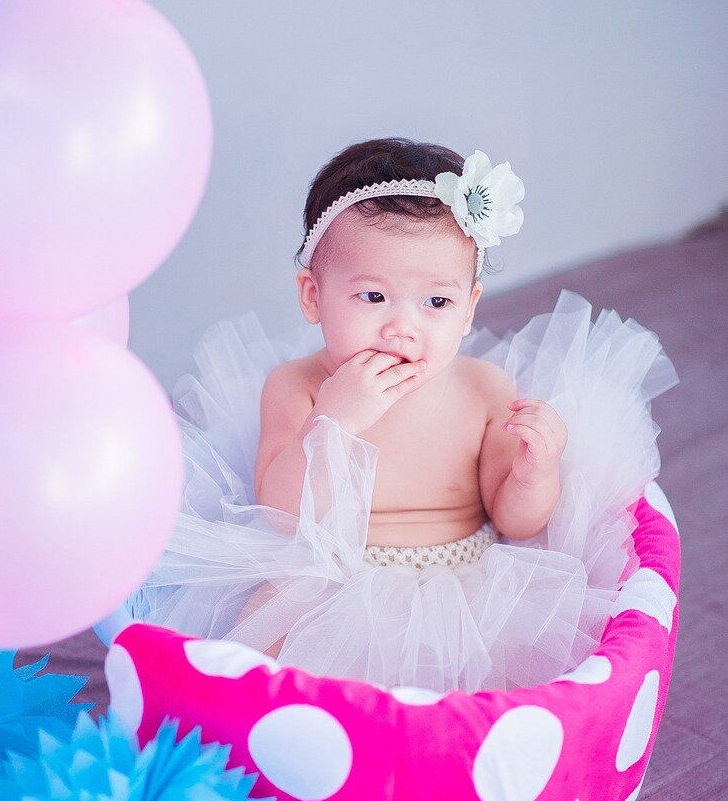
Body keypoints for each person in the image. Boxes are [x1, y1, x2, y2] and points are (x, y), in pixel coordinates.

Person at [128, 137, 678, 694]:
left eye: (436, 302)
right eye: (372, 297)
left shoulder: (484, 389)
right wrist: (334, 422)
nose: (402, 328)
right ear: (313, 297)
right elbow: (281, 514)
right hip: (325, 580)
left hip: (466, 590)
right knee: (258, 670)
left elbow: (516, 522)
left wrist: (536, 472)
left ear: (468, 308)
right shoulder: (299, 387)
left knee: (486, 697)